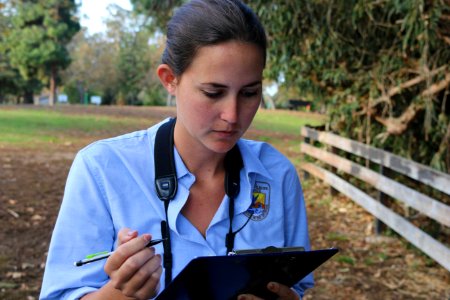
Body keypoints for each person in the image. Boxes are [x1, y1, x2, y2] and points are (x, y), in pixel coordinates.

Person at [39, 0, 314, 299]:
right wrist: (121, 293)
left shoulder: (277, 173)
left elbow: (295, 286)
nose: (233, 115)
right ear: (170, 79)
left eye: (250, 93)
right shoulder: (101, 169)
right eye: (213, 92)